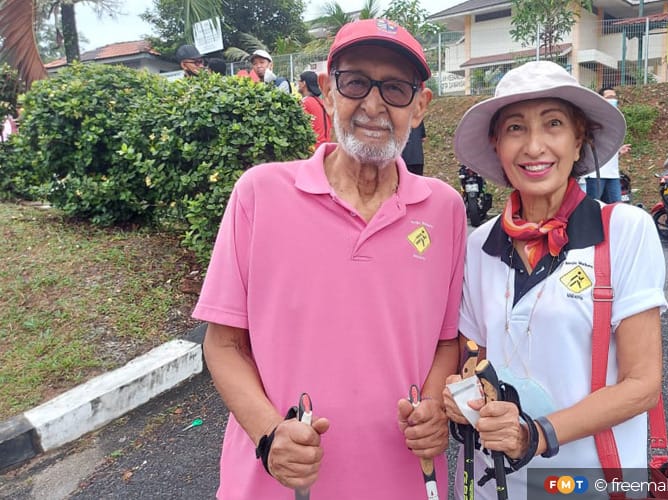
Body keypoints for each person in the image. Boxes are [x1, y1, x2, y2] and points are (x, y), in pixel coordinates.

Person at [193, 18, 466, 500]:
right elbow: (224, 345)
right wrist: (269, 436)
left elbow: (447, 341)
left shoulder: (444, 209)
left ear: (420, 105)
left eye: (396, 89)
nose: (374, 105)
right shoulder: (260, 193)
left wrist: (433, 408)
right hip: (276, 484)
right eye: (356, 82)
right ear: (327, 90)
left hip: (406, 479)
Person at [443, 61, 666, 499]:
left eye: (554, 124)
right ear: (497, 144)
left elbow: (642, 385)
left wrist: (535, 434)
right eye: (515, 128)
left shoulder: (624, 230)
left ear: (578, 139)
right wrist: (459, 393)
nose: (534, 146)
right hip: (491, 483)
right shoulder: (480, 243)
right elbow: (474, 360)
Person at [580, 86, 631, 202]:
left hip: (613, 174)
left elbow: (605, 146)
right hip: (595, 175)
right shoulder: (592, 118)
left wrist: (618, 152)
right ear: (601, 100)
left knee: (615, 208)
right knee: (595, 207)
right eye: (609, 97)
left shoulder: (616, 120)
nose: (613, 99)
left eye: (614, 97)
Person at [297, 70, 331, 149]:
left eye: (299, 81)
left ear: (304, 83)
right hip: (326, 146)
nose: (298, 83)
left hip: (313, 148)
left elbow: (301, 128)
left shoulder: (304, 102)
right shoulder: (321, 102)